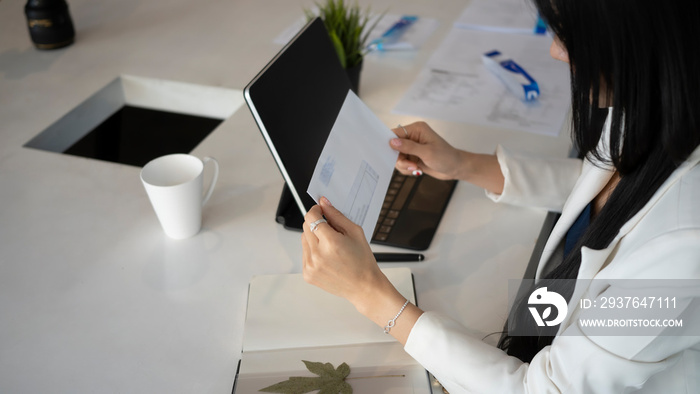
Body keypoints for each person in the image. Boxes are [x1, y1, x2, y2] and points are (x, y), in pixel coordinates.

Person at [300, 0, 700, 392]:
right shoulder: (659, 101)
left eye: (570, 34)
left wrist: (370, 294)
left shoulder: (685, 246)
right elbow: (610, 181)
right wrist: (463, 164)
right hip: (545, 318)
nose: (556, 51)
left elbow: (546, 389)